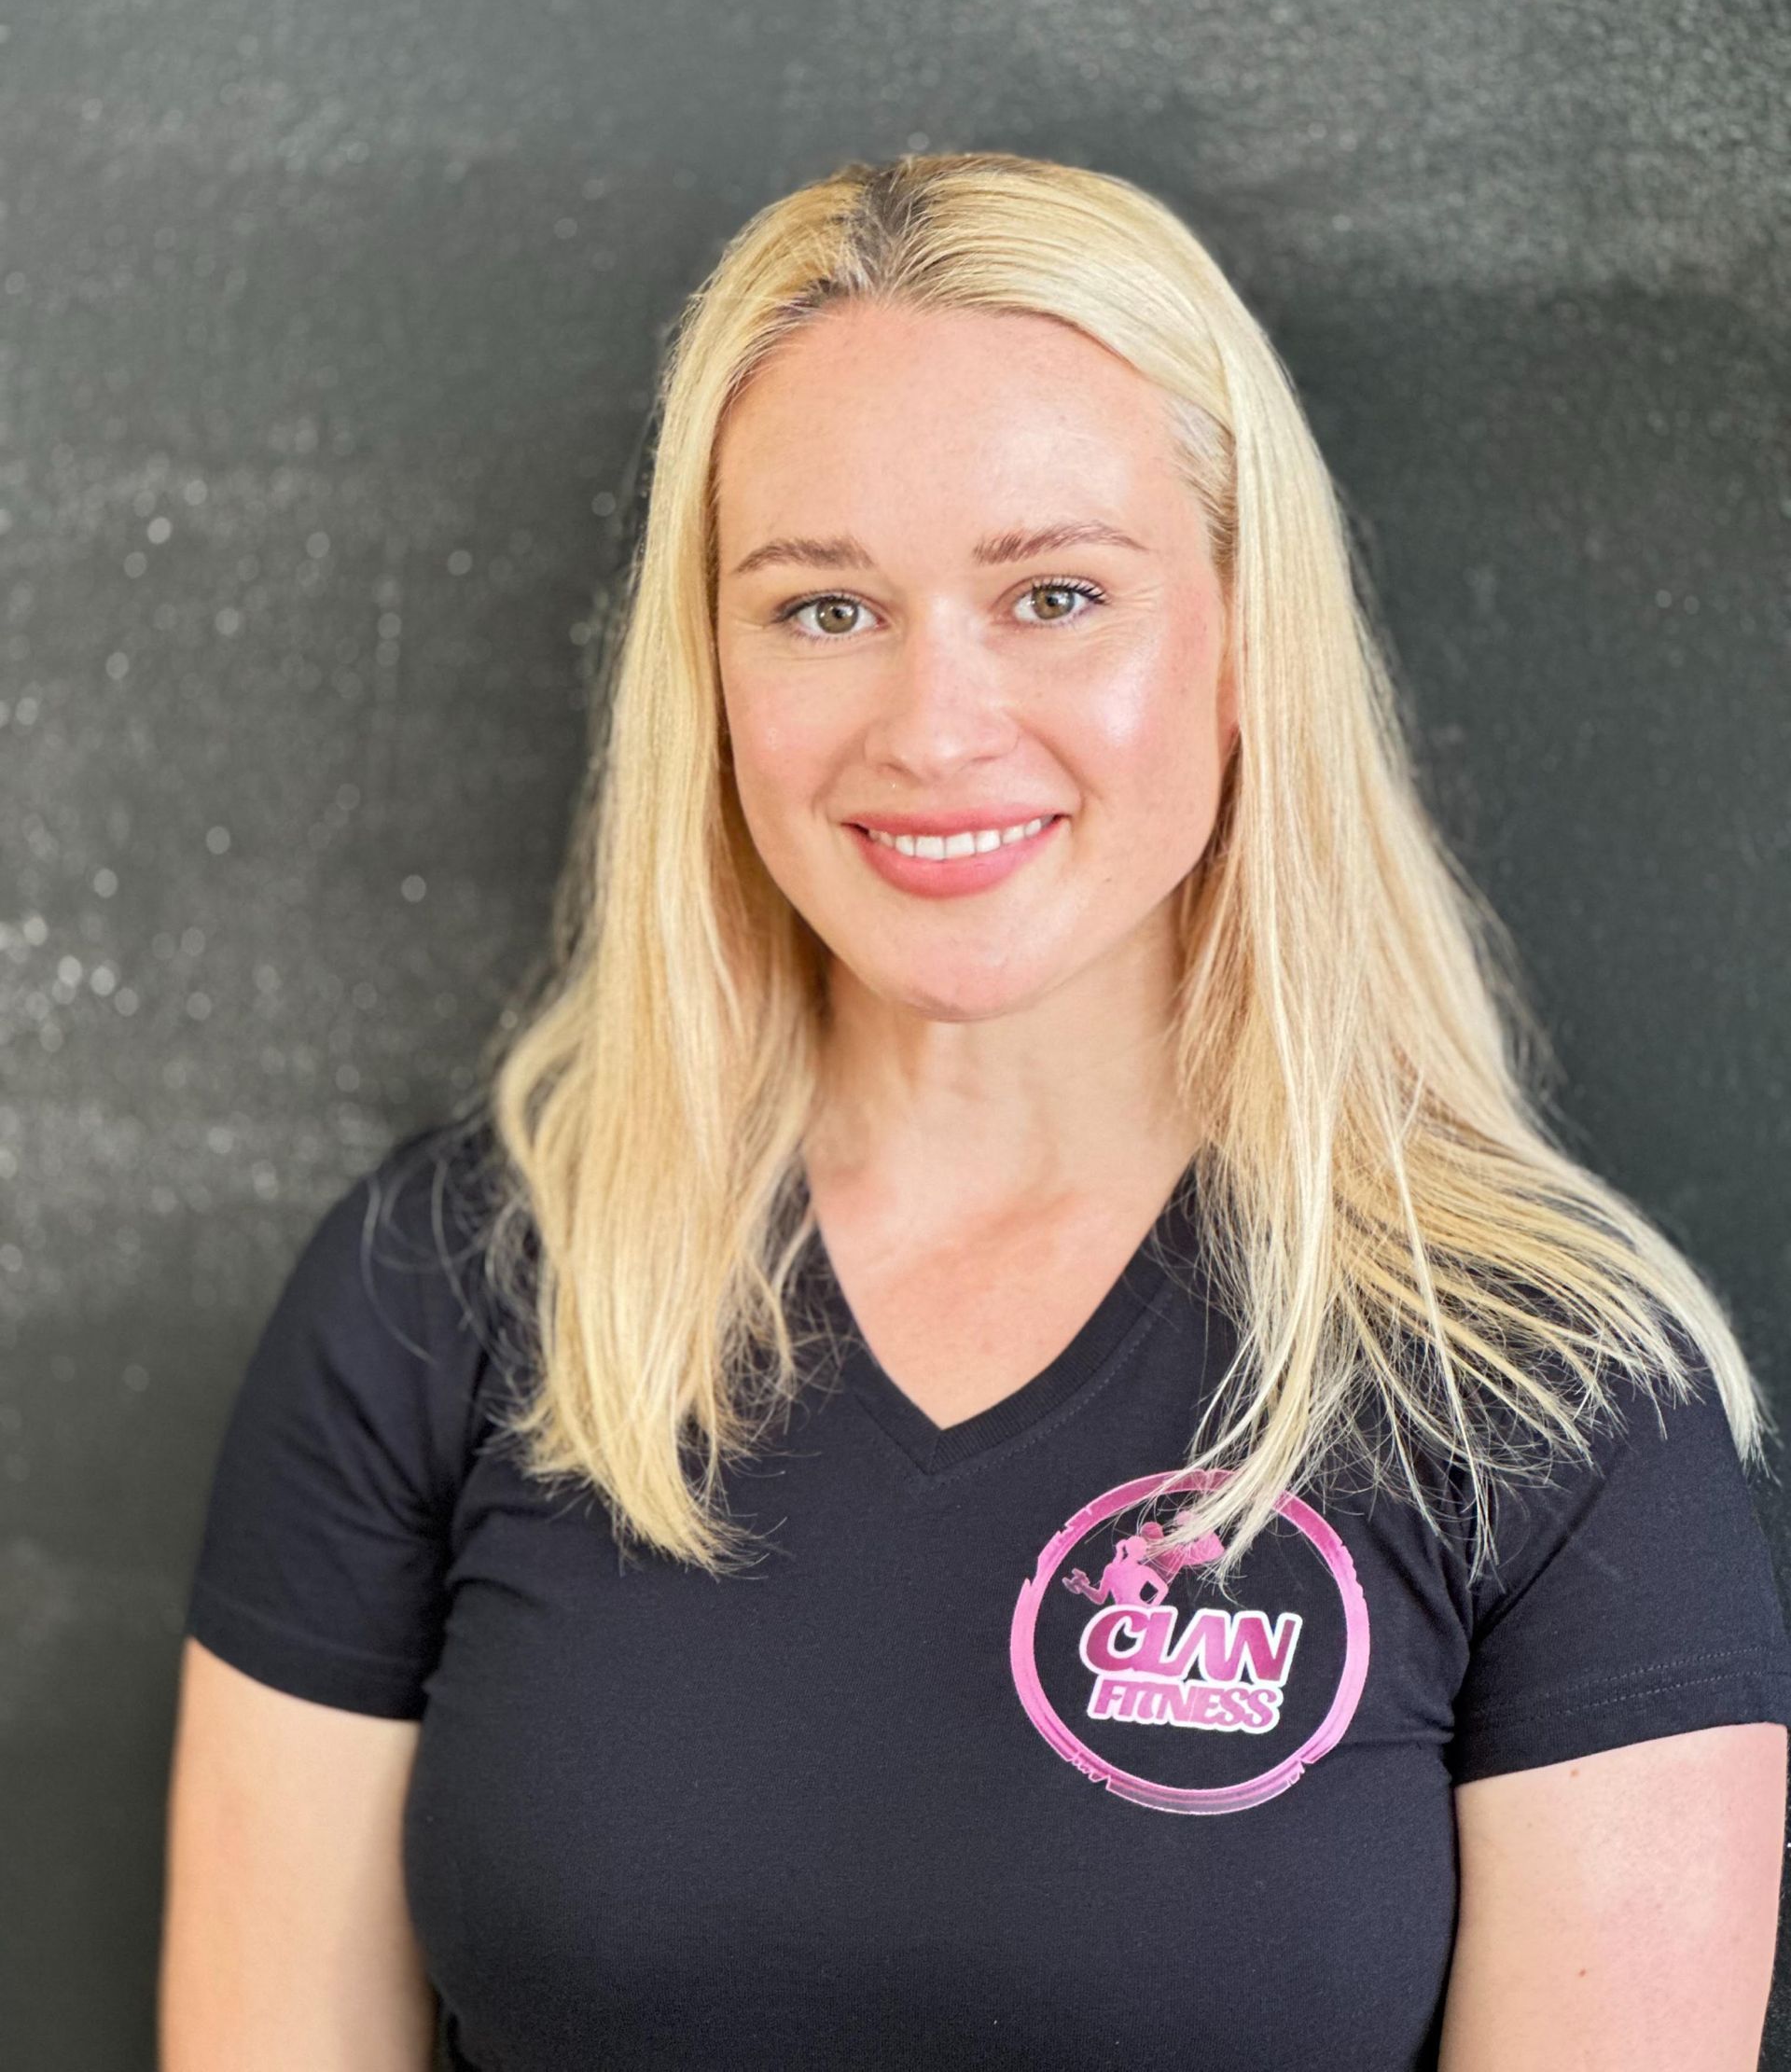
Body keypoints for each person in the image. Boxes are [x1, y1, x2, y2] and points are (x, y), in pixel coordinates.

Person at [160, 150, 1791, 2070]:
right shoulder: (446, 1291)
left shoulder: (1543, 1383)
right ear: (712, 669)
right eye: (824, 609)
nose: (934, 724)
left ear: (1243, 637)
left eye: (1055, 592)